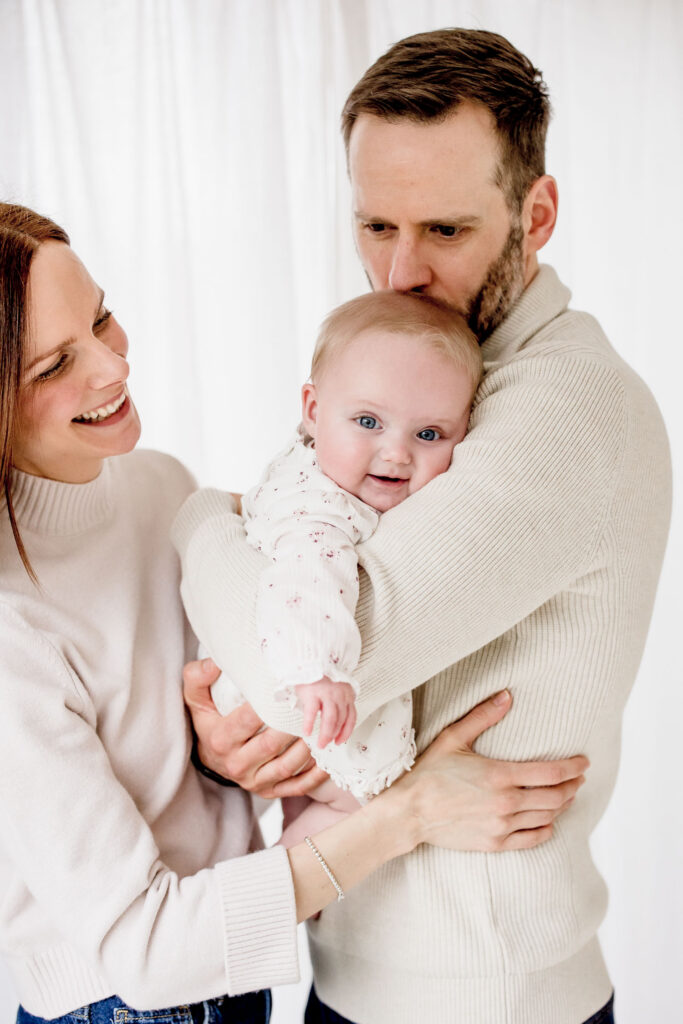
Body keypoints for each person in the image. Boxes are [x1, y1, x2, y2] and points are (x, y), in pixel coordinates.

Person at [176, 27, 672, 1024]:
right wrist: (231, 737)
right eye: (374, 226)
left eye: (443, 230)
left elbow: (309, 648)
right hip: (351, 974)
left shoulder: (565, 407)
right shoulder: (428, 373)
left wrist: (188, 515)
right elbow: (287, 593)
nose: (397, 272)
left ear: (535, 214)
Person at [0, 202, 587, 1024]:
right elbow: (145, 951)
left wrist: (223, 753)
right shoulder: (10, 623)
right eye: (54, 365)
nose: (110, 368)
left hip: (242, 986)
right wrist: (410, 810)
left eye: (101, 317)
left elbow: (181, 740)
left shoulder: (159, 488)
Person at [205, 291, 482, 846]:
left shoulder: (312, 461)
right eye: (368, 421)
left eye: (429, 434)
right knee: (362, 802)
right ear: (312, 410)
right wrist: (319, 672)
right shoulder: (320, 507)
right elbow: (306, 578)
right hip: (298, 679)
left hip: (278, 682)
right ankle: (275, 892)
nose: (397, 453)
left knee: (314, 800)